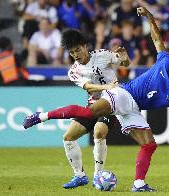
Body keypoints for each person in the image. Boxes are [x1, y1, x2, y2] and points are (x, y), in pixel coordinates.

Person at [23, 7, 169, 192]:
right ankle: (42, 116)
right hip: (122, 94)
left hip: (132, 109)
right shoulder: (166, 63)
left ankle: (138, 184)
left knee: (149, 145)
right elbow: (157, 39)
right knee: (89, 114)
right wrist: (149, 16)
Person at [32, 28, 130, 189]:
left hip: (112, 103)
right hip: (93, 106)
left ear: (85, 46)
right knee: (68, 136)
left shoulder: (103, 54)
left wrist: (125, 58)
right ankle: (79, 175)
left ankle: (98, 175)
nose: (76, 55)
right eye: (72, 53)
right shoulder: (73, 71)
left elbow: (124, 63)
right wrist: (107, 85)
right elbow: (89, 87)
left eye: (78, 50)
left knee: (99, 131)